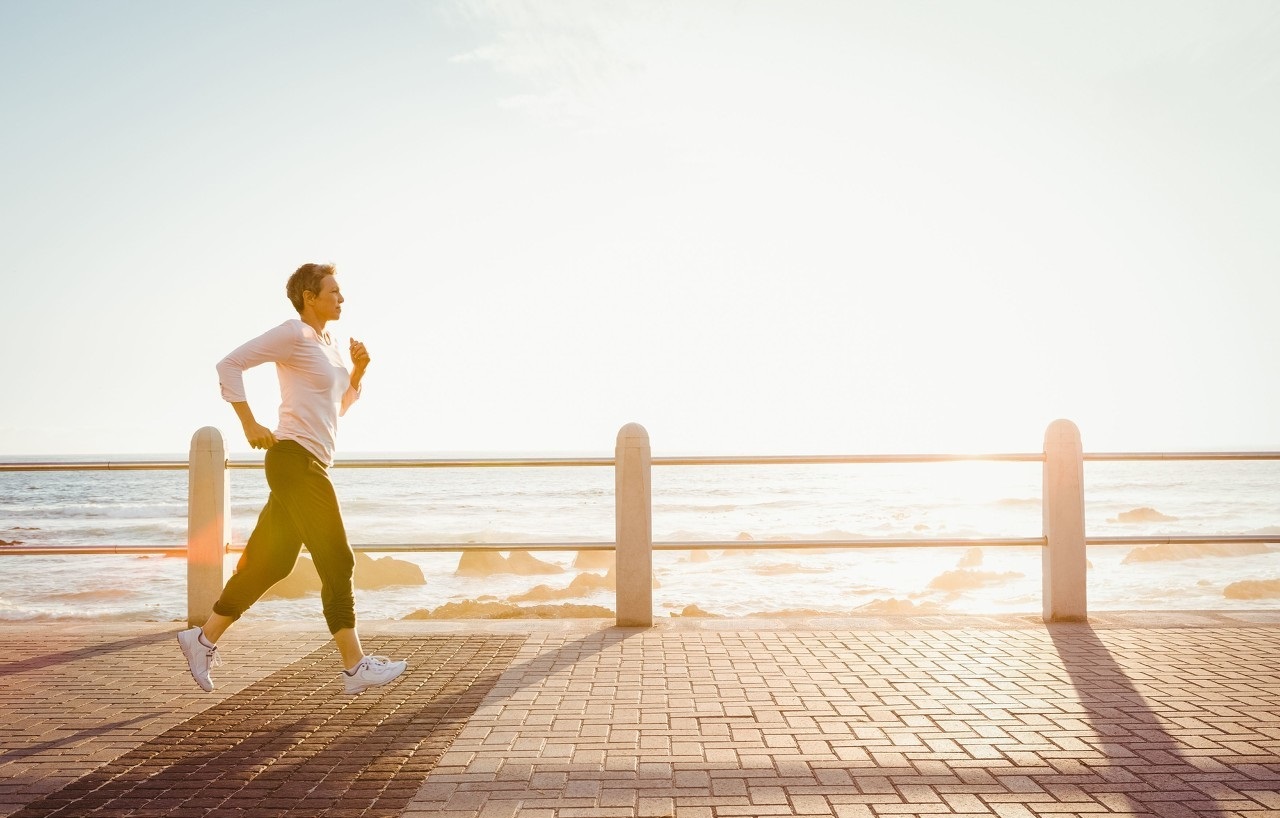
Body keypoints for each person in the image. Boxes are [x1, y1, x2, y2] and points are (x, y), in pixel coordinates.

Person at [177, 263, 407, 695]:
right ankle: (354, 666)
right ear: (309, 296)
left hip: (310, 462)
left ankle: (202, 638)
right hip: (292, 460)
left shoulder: (329, 344)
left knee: (272, 563)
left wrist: (358, 372)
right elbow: (229, 365)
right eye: (334, 291)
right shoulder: (293, 334)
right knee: (338, 560)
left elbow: (337, 408)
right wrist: (249, 424)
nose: (342, 298)